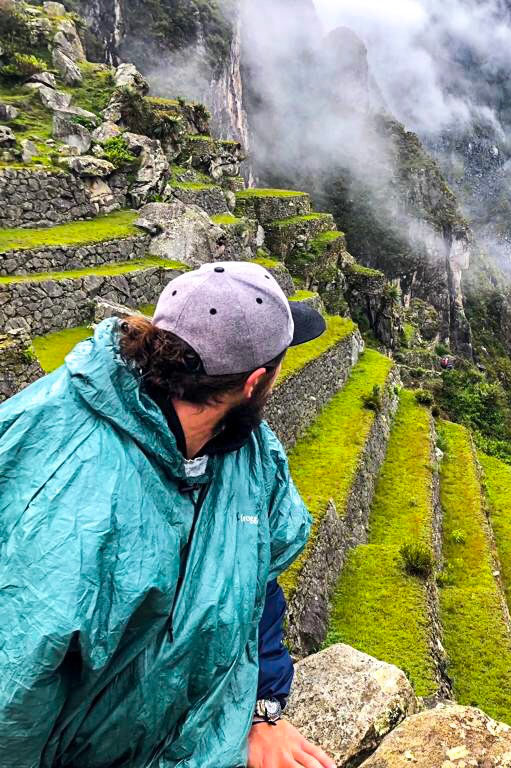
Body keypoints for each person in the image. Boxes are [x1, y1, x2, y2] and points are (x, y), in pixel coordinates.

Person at [0, 262, 336, 768]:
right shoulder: (75, 483)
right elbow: (17, 688)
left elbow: (255, 576)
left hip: (183, 734)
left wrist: (262, 711)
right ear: (256, 381)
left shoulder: (244, 451)